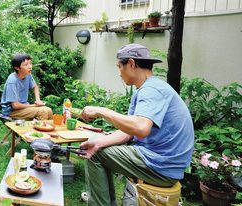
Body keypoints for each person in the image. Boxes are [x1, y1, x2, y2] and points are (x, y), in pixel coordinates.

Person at [77, 43, 194, 206]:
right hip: (162, 162)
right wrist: (98, 142)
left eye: (119, 66)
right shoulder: (149, 88)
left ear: (131, 63)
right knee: (95, 148)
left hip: (161, 165)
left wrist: (101, 110)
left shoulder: (151, 90)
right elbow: (129, 132)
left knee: (95, 155)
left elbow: (140, 128)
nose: (119, 73)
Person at [0, 53, 53, 120]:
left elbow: (35, 87)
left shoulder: (27, 75)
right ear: (17, 67)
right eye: (26, 65)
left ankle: (49, 129)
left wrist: (38, 100)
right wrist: (34, 105)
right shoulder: (12, 81)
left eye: (30, 63)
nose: (30, 66)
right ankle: (41, 129)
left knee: (49, 110)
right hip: (12, 111)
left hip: (24, 107)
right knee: (43, 111)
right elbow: (15, 105)